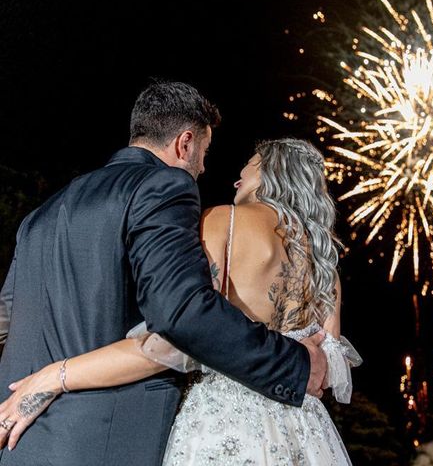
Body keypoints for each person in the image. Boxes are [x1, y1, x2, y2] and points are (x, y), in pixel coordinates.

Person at [0, 82, 328, 466]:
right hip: (109, 441)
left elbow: (6, 318)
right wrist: (293, 362)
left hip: (20, 438)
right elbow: (182, 313)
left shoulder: (41, 215)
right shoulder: (164, 186)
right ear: (185, 143)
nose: (204, 168)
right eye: (204, 153)